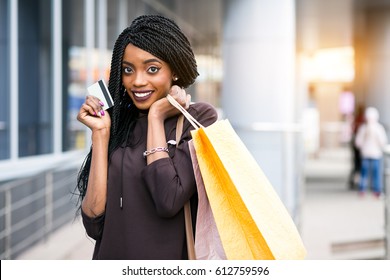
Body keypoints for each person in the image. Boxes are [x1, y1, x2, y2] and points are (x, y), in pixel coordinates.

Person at [76, 15, 218, 259]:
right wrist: (100, 134)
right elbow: (94, 223)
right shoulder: (117, 121)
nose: (137, 81)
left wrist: (156, 117)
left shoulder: (200, 119)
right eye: (128, 70)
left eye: (152, 69)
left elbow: (168, 199)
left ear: (174, 71)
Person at [355, 107, 388, 197]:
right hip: (374, 154)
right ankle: (375, 191)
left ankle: (364, 190)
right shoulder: (378, 128)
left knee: (365, 173)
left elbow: (358, 142)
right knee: (374, 173)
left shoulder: (364, 128)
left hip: (368, 154)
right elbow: (383, 142)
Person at [348, 104, 365, 189]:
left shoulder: (357, 119)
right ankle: (357, 182)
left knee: (356, 164)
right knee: (359, 165)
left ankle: (354, 182)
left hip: (356, 144)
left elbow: (353, 129)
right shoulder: (363, 120)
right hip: (361, 146)